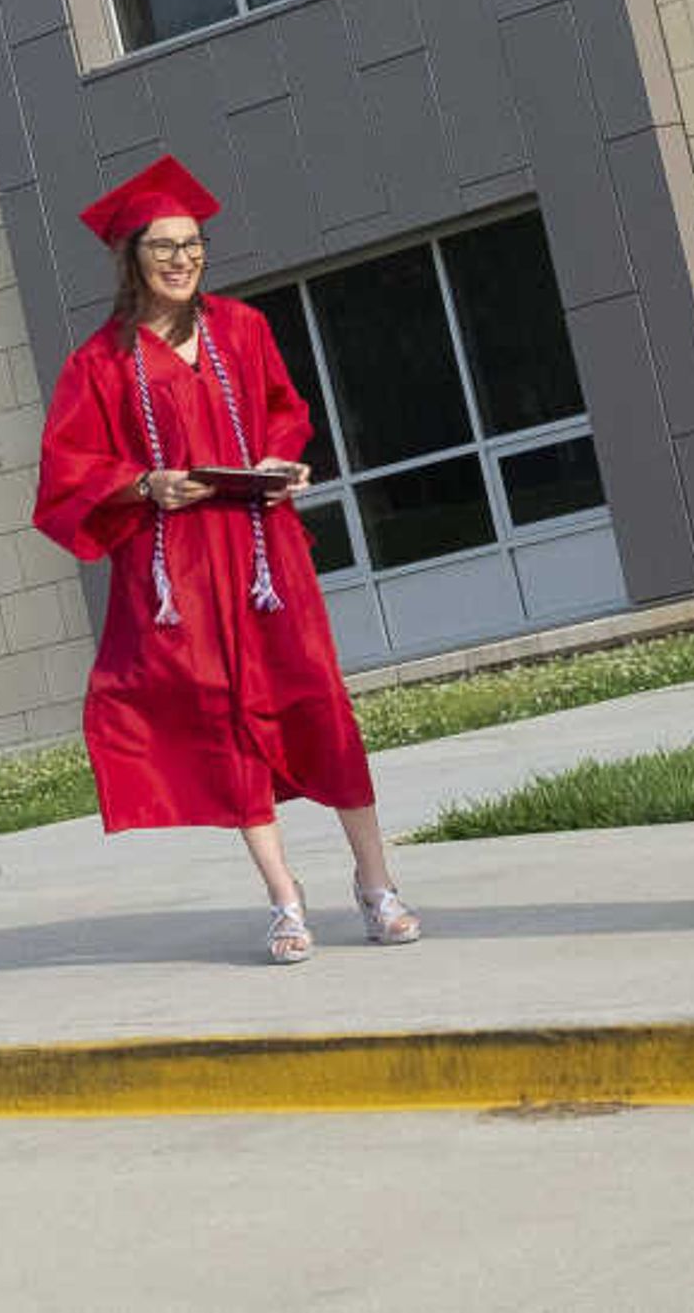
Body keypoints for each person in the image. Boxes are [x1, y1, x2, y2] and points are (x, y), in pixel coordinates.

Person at [33, 158, 422, 961]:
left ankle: (375, 881)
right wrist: (143, 482)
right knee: (224, 723)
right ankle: (285, 898)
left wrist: (284, 461)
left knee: (316, 703)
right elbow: (67, 469)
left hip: (261, 555)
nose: (182, 259)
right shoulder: (99, 365)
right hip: (179, 570)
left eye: (193, 244)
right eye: (164, 246)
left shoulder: (242, 329)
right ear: (132, 258)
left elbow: (285, 411)